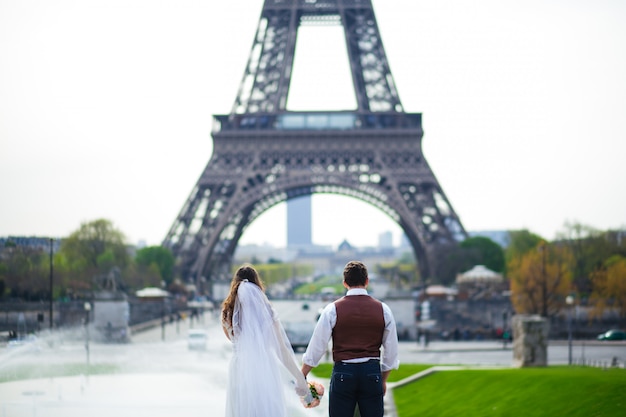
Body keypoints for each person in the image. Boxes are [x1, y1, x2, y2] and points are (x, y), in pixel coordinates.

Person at [301, 261, 399, 417]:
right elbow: (392, 351)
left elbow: (317, 346)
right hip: (371, 372)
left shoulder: (332, 309)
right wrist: (383, 379)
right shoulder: (383, 309)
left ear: (345, 283)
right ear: (367, 281)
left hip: (343, 372)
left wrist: (303, 374)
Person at [221, 264, 309, 417]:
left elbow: (234, 340)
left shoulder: (227, 313)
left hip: (239, 368)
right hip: (264, 367)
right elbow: (281, 350)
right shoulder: (267, 312)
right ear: (257, 284)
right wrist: (299, 378)